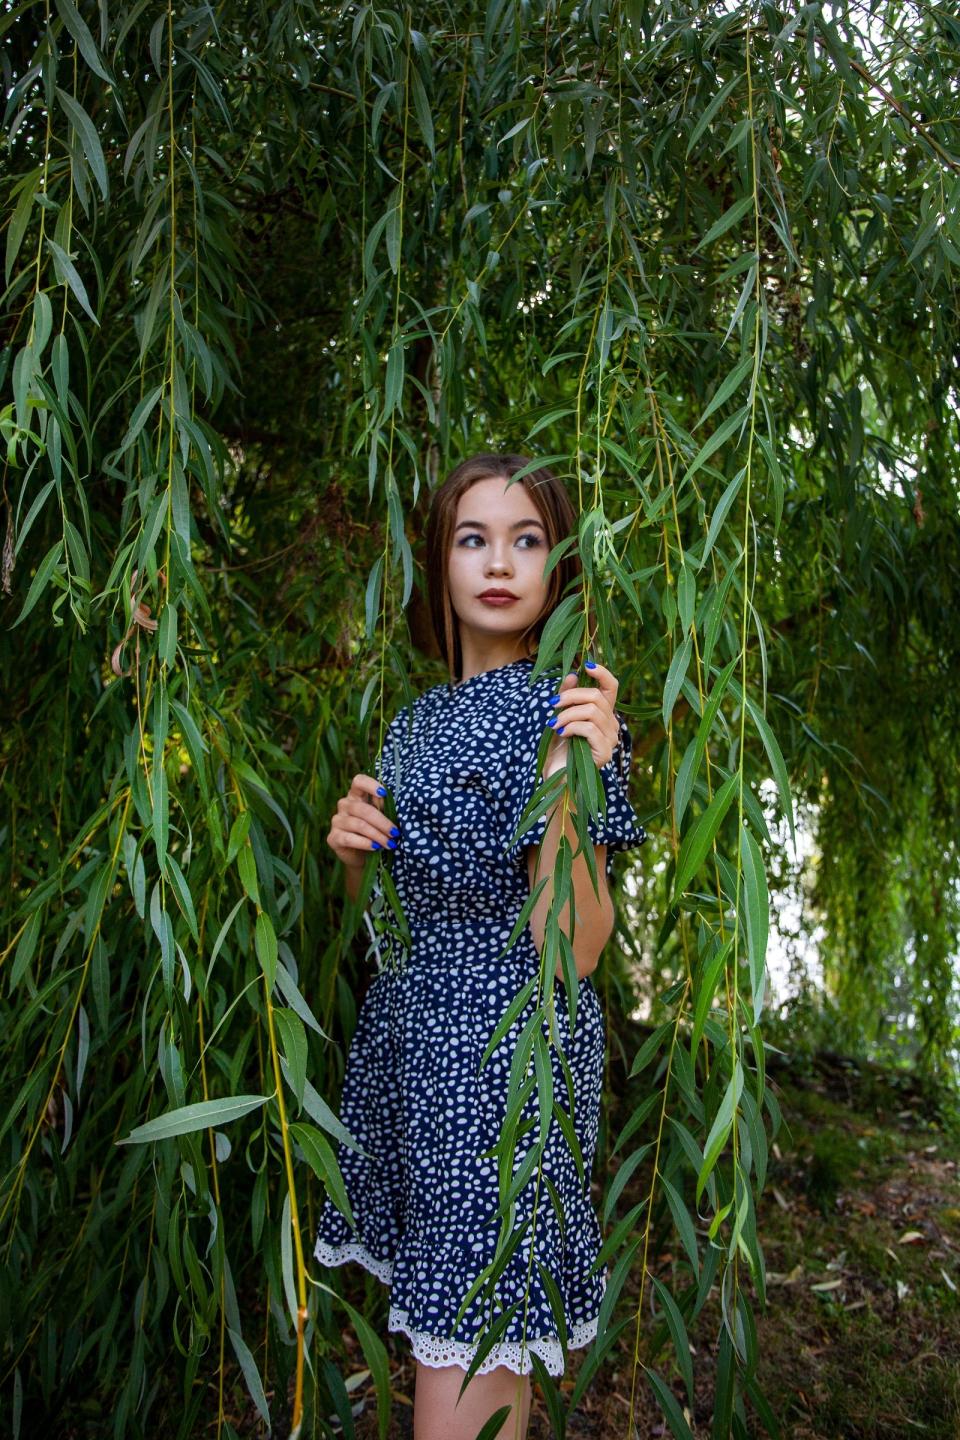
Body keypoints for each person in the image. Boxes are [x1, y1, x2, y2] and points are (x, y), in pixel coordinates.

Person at [315, 452, 647, 1440]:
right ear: (440, 560)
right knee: (461, 1354)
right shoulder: (415, 723)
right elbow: (394, 929)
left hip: (504, 1070)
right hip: (417, 1061)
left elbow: (573, 950)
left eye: (526, 539)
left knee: (465, 1359)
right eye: (473, 538)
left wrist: (577, 777)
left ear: (559, 566)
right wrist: (356, 859)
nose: (498, 562)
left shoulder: (568, 709)